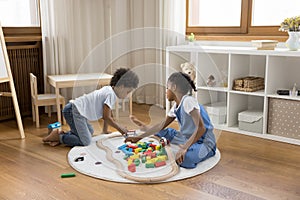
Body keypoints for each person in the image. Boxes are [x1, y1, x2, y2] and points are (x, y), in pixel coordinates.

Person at [126, 72, 216, 169]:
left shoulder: (188, 101)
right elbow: (161, 125)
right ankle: (146, 128)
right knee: (161, 131)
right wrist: (139, 138)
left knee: (185, 159)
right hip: (187, 137)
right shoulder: (176, 105)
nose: (165, 91)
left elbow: (201, 128)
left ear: (174, 87)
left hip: (204, 142)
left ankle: (200, 150)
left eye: (167, 88)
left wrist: (184, 148)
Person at [43, 68, 139, 147]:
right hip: (74, 111)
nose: (128, 95)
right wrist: (122, 130)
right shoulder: (111, 94)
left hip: (75, 111)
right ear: (121, 86)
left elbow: (107, 115)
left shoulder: (109, 91)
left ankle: (61, 134)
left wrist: (105, 130)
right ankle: (58, 137)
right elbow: (107, 117)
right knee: (86, 141)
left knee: (90, 131)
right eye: (128, 92)